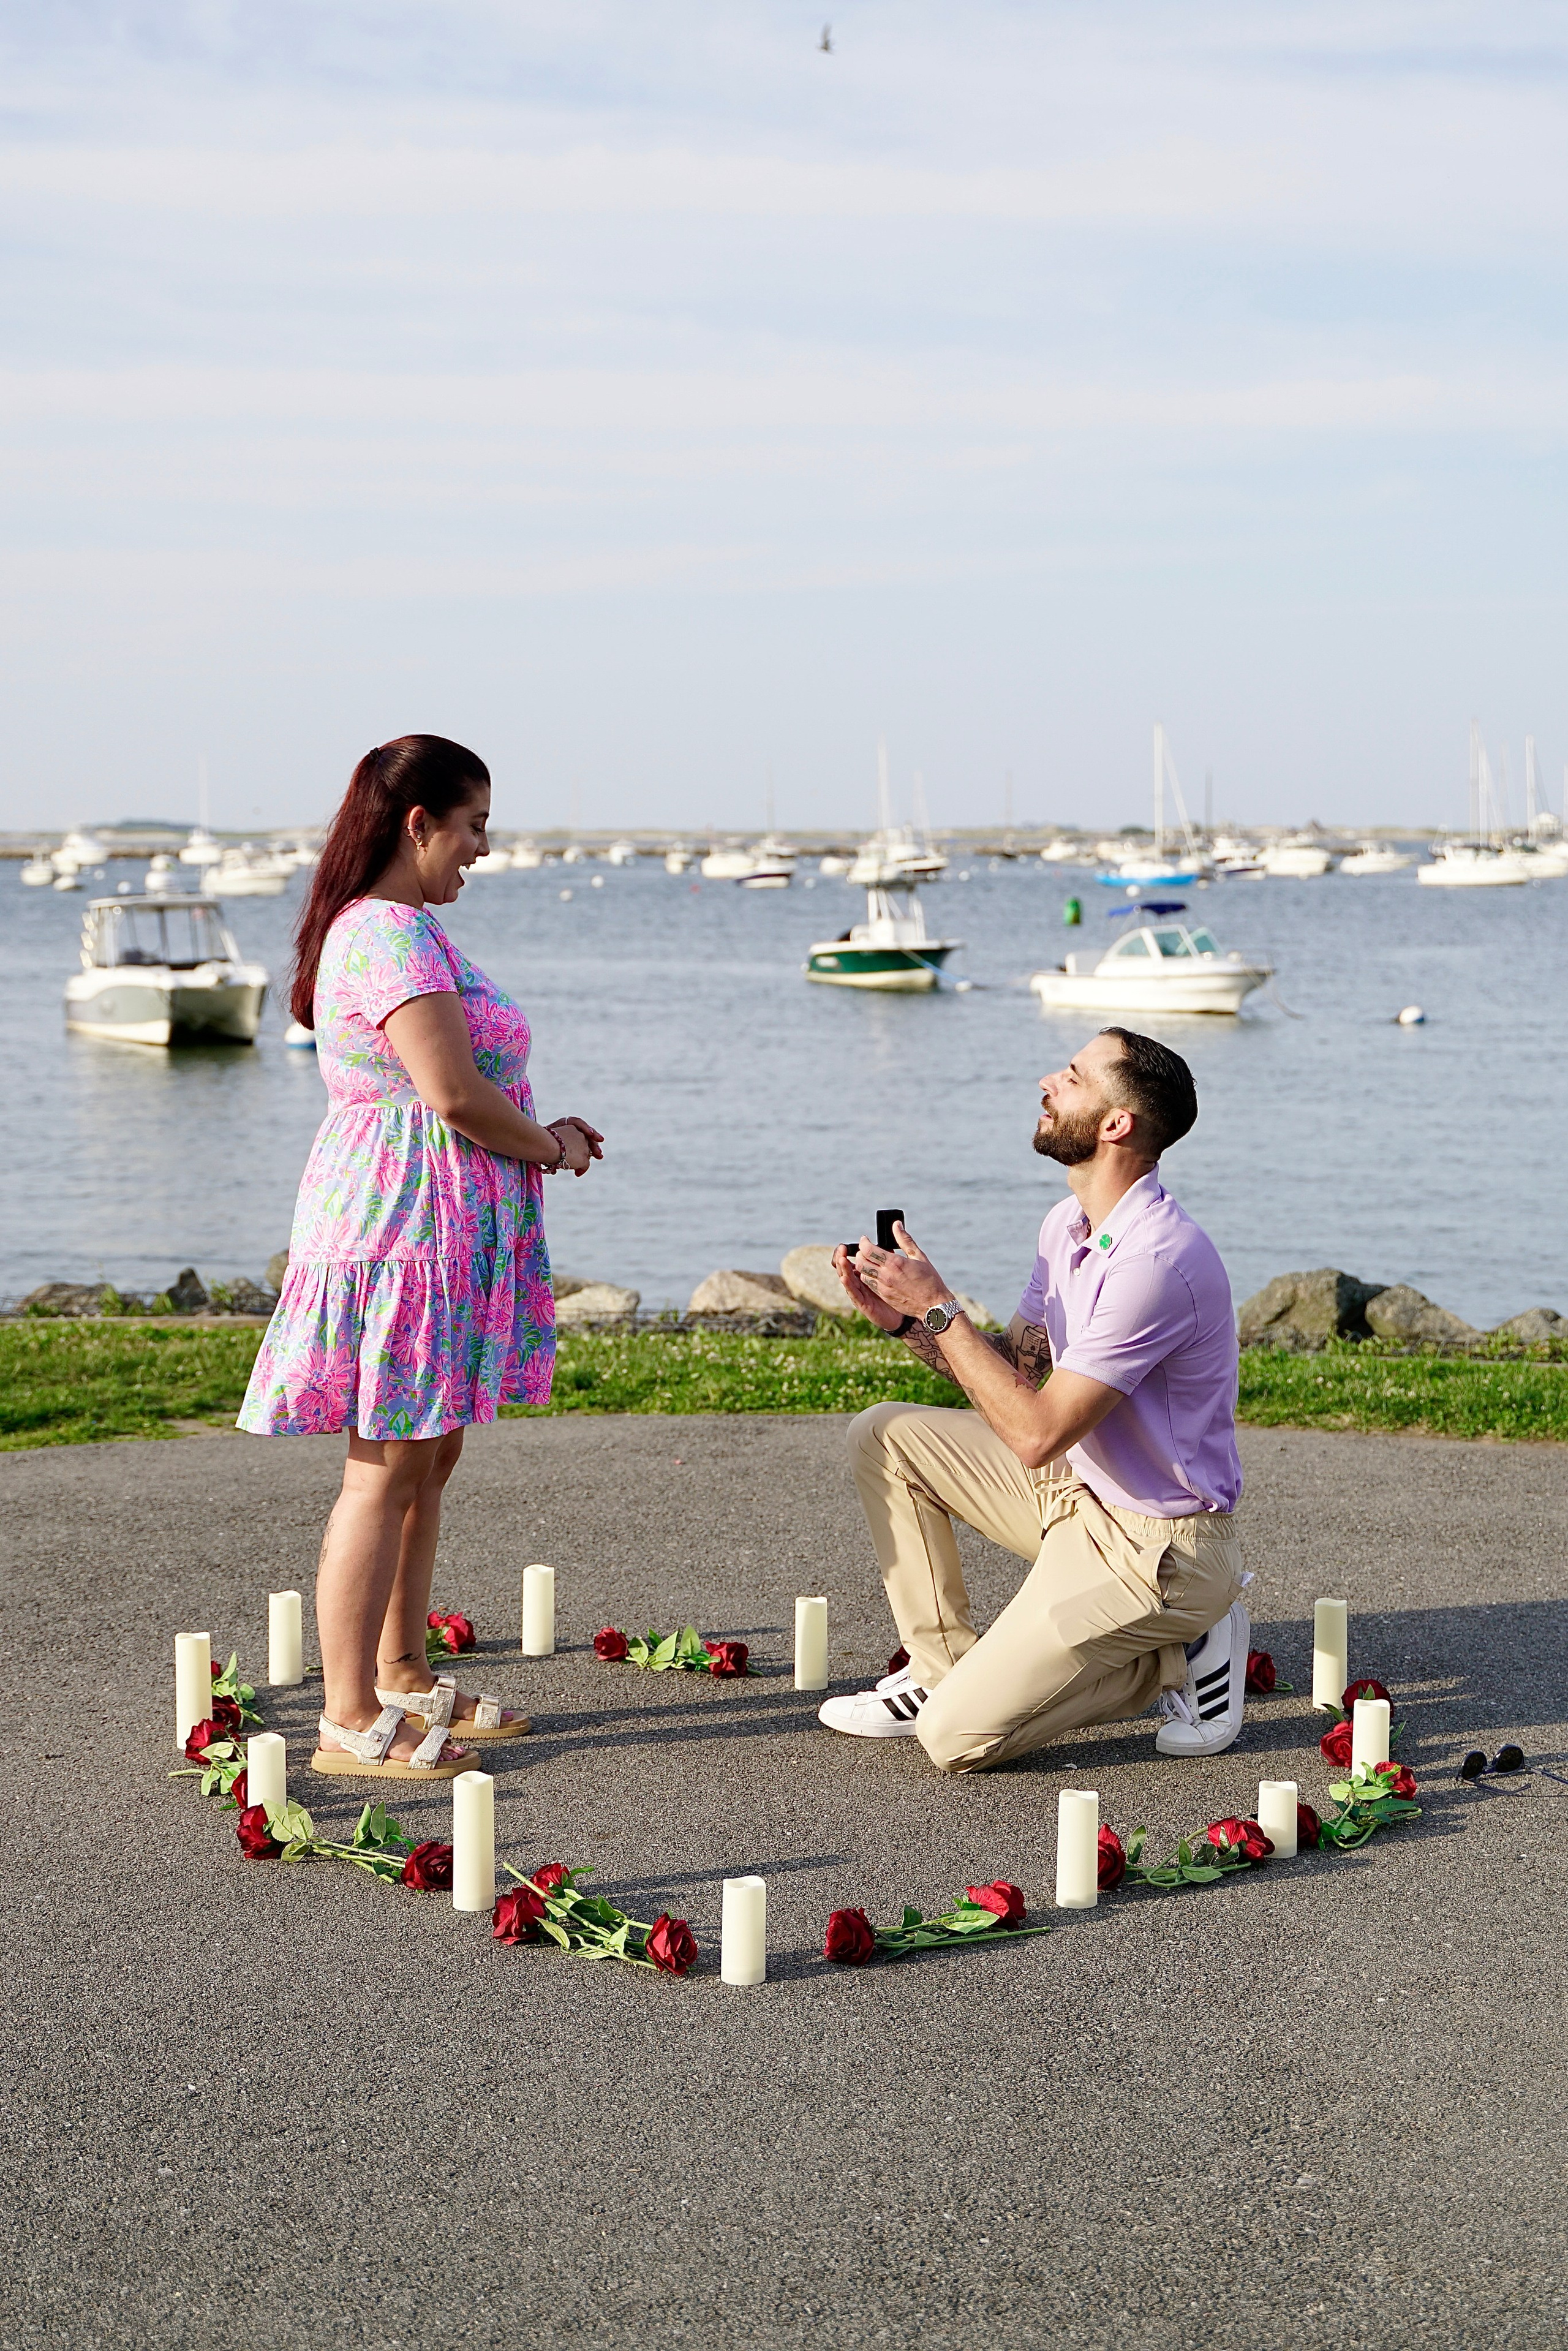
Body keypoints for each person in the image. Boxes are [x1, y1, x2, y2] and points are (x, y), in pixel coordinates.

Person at [238, 736, 603, 1780]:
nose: (482, 847)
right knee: (386, 1464)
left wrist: (541, 1137)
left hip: (437, 1224)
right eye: (475, 823)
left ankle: (400, 1669)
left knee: (427, 1450)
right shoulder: (390, 933)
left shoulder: (409, 930)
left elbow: (462, 1087)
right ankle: (350, 1715)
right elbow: (448, 1090)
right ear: (419, 823)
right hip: (402, 1229)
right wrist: (555, 1147)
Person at [820, 1027, 1247, 1773]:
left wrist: (942, 1306)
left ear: (1116, 1124)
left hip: (1156, 1547)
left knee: (955, 1741)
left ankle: (1180, 1645)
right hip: (1076, 1491)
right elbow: (1014, 1375)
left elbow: (1034, 1433)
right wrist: (907, 1319)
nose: (1048, 1081)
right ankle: (937, 1668)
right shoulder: (1067, 1226)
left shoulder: (1155, 1261)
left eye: (1074, 1077)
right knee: (883, 1434)